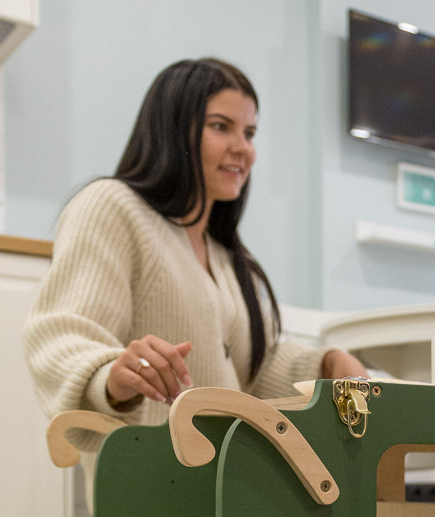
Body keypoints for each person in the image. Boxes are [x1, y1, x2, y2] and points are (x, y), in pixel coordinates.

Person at [23, 57, 366, 457]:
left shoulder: (227, 257)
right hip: (158, 485)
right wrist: (115, 377)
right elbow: (62, 334)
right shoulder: (111, 207)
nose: (244, 149)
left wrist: (325, 364)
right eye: (221, 127)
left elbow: (252, 370)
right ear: (172, 130)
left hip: (232, 482)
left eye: (250, 132)